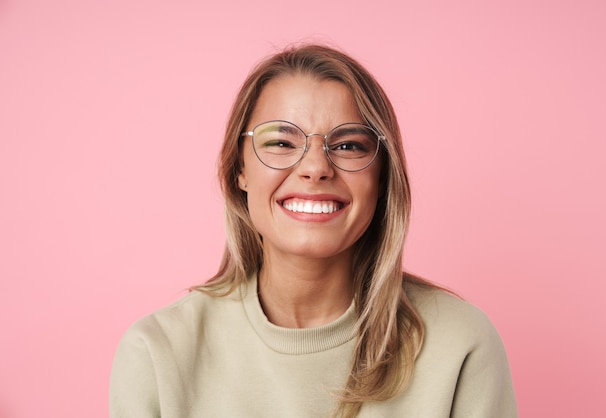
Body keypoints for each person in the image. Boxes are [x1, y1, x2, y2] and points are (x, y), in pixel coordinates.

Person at [109, 44, 517, 418]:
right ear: (239, 169)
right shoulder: (157, 354)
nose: (315, 167)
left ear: (382, 177)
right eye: (281, 142)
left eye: (348, 146)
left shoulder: (460, 345)